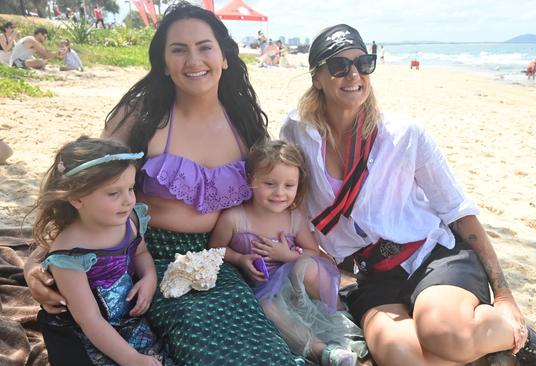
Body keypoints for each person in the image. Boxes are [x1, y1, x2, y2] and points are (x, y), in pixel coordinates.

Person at [24, 2, 300, 365]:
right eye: (178, 50)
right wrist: (36, 259)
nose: (193, 60)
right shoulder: (140, 118)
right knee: (202, 342)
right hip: (145, 257)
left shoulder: (244, 123)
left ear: (224, 57)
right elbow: (83, 186)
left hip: (216, 257)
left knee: (262, 343)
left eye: (204, 47)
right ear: (165, 64)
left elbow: (269, 198)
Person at [281, 24, 536, 366]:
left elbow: (457, 210)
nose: (353, 74)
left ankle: (512, 332)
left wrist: (504, 295)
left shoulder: (404, 134)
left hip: (430, 256)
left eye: (363, 63)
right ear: (318, 78)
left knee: (445, 336)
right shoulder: (298, 132)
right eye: (339, 66)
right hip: (370, 274)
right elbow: (286, 196)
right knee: (400, 356)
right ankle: (486, 353)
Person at [208, 140, 366, 366]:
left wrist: (287, 255)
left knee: (307, 266)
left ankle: (339, 318)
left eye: (289, 185)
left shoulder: (294, 218)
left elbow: (313, 252)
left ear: (298, 184)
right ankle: (323, 351)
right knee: (267, 309)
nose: (279, 193)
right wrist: (241, 259)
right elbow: (215, 248)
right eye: (270, 183)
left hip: (298, 287)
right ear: (251, 179)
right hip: (265, 290)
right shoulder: (234, 217)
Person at [32, 137, 168, 365]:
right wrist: (131, 358)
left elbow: (141, 253)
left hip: (125, 318)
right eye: (114, 193)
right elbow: (89, 319)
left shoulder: (131, 220)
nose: (128, 200)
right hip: (78, 329)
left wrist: (149, 277)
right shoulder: (69, 254)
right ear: (76, 198)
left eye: (130, 188)